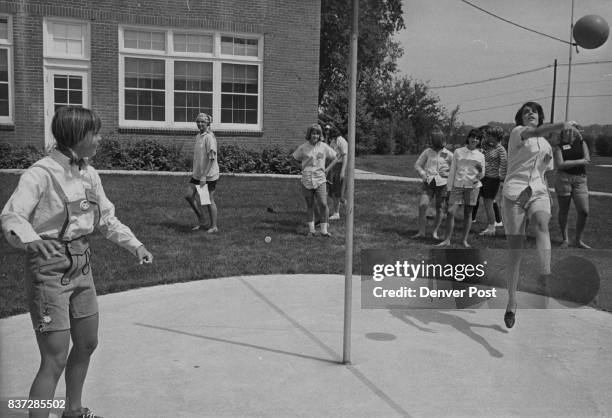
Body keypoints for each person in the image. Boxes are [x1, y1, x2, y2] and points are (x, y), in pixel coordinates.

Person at [0, 106, 153, 418]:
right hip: (50, 270)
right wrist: (31, 240)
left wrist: (135, 245)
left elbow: (106, 218)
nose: (99, 139)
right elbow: (13, 216)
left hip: (82, 265)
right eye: (94, 133)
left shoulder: (89, 174)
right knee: (54, 358)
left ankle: (73, 410)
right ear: (75, 136)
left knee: (86, 343)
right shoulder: (40, 174)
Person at [501, 101, 579, 328]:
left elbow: (544, 171)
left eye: (534, 111)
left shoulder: (545, 144)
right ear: (521, 118)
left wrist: (547, 192)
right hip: (515, 192)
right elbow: (534, 132)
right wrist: (561, 125)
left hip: (538, 191)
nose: (530, 114)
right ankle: (511, 302)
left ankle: (546, 275)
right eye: (526, 112)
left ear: (540, 115)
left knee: (542, 223)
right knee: (515, 253)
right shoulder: (518, 133)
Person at [437, 128, 485, 247]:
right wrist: (449, 188)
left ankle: (464, 240)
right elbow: (452, 170)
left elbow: (482, 173)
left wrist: (478, 176)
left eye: (477, 138)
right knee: (450, 212)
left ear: (479, 141)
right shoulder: (458, 152)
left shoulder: (480, 155)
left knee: (468, 213)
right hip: (457, 186)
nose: (474, 140)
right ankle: (447, 239)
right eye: (473, 137)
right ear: (468, 138)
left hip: (472, 187)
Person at [292, 123, 337, 236]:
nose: (315, 136)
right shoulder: (303, 147)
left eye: (317, 133)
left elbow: (335, 158)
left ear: (320, 135)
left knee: (323, 203)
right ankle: (311, 230)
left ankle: (324, 231)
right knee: (310, 205)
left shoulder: (324, 147)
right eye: (313, 133)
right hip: (306, 180)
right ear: (309, 134)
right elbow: (292, 159)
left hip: (320, 180)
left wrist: (327, 169)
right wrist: (300, 168)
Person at [553, 122, 591, 249]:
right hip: (563, 179)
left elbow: (588, 160)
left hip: (580, 180)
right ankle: (565, 239)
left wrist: (568, 162)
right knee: (564, 210)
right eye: (567, 129)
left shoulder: (582, 143)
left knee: (584, 211)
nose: (570, 131)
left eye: (573, 129)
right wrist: (580, 162)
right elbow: (560, 165)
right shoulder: (559, 146)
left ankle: (578, 240)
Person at [413, 129, 453, 239]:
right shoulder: (427, 152)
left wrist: (448, 173)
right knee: (423, 205)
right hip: (428, 183)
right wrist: (422, 174)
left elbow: (455, 168)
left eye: (433, 139)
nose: (430, 141)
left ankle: (434, 232)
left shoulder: (448, 154)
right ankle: (421, 232)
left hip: (443, 185)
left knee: (439, 208)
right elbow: (417, 165)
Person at [185, 112, 219, 233]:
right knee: (189, 196)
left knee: (207, 199)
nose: (200, 124)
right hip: (198, 174)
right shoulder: (198, 136)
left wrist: (204, 176)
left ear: (208, 123)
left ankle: (214, 226)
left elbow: (212, 158)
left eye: (202, 122)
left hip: (208, 175)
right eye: (198, 121)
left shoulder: (209, 137)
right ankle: (202, 220)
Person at [473, 125, 507, 235]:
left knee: (488, 203)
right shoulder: (486, 146)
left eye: (489, 135)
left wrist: (502, 180)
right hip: (483, 177)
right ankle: (491, 226)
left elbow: (504, 165)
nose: (487, 136)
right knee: (486, 203)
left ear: (496, 137)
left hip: (492, 180)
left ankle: (491, 228)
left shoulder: (500, 149)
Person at [323, 124, 348, 220]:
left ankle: (336, 213)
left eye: (328, 131)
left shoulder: (341, 141)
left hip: (340, 166)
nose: (327, 132)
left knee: (336, 190)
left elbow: (344, 157)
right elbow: (327, 149)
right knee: (332, 189)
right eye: (326, 131)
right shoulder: (333, 140)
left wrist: (342, 171)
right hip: (333, 165)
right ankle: (342, 202)